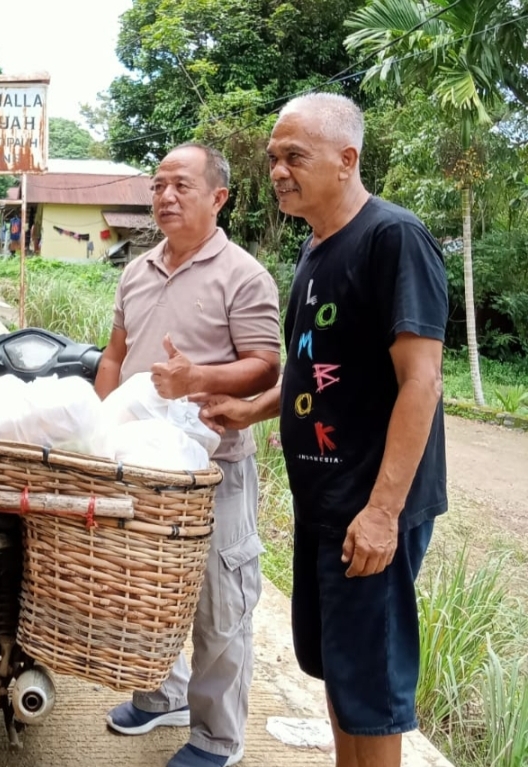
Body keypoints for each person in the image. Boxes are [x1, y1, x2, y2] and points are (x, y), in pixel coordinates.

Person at [201, 93, 447, 767]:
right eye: (273, 158)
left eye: (294, 156)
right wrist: (249, 409)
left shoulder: (393, 238)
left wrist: (383, 512)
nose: (277, 171)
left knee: (371, 689)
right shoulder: (314, 250)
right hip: (324, 508)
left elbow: (422, 381)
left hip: (369, 509)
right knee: (340, 672)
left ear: (347, 159)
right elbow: (313, 370)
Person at [97, 143, 282, 767]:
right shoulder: (136, 270)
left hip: (214, 465)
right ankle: (162, 695)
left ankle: (217, 737)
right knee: (144, 587)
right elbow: (115, 356)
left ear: (218, 197)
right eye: (158, 186)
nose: (166, 196)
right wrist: (97, 426)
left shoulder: (244, 275)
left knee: (220, 602)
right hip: (139, 463)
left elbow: (266, 366)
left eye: (181, 185)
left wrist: (196, 378)